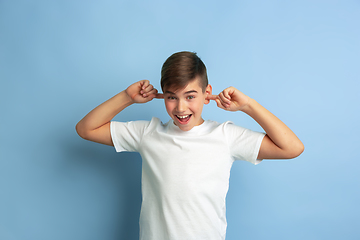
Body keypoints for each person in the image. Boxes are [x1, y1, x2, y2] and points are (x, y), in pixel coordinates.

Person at [76, 51, 304, 240]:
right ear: (163, 96)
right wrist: (127, 96)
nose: (181, 108)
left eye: (190, 96)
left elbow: (292, 148)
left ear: (207, 95)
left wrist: (248, 106)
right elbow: (86, 129)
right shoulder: (148, 133)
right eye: (172, 97)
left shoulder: (225, 136)